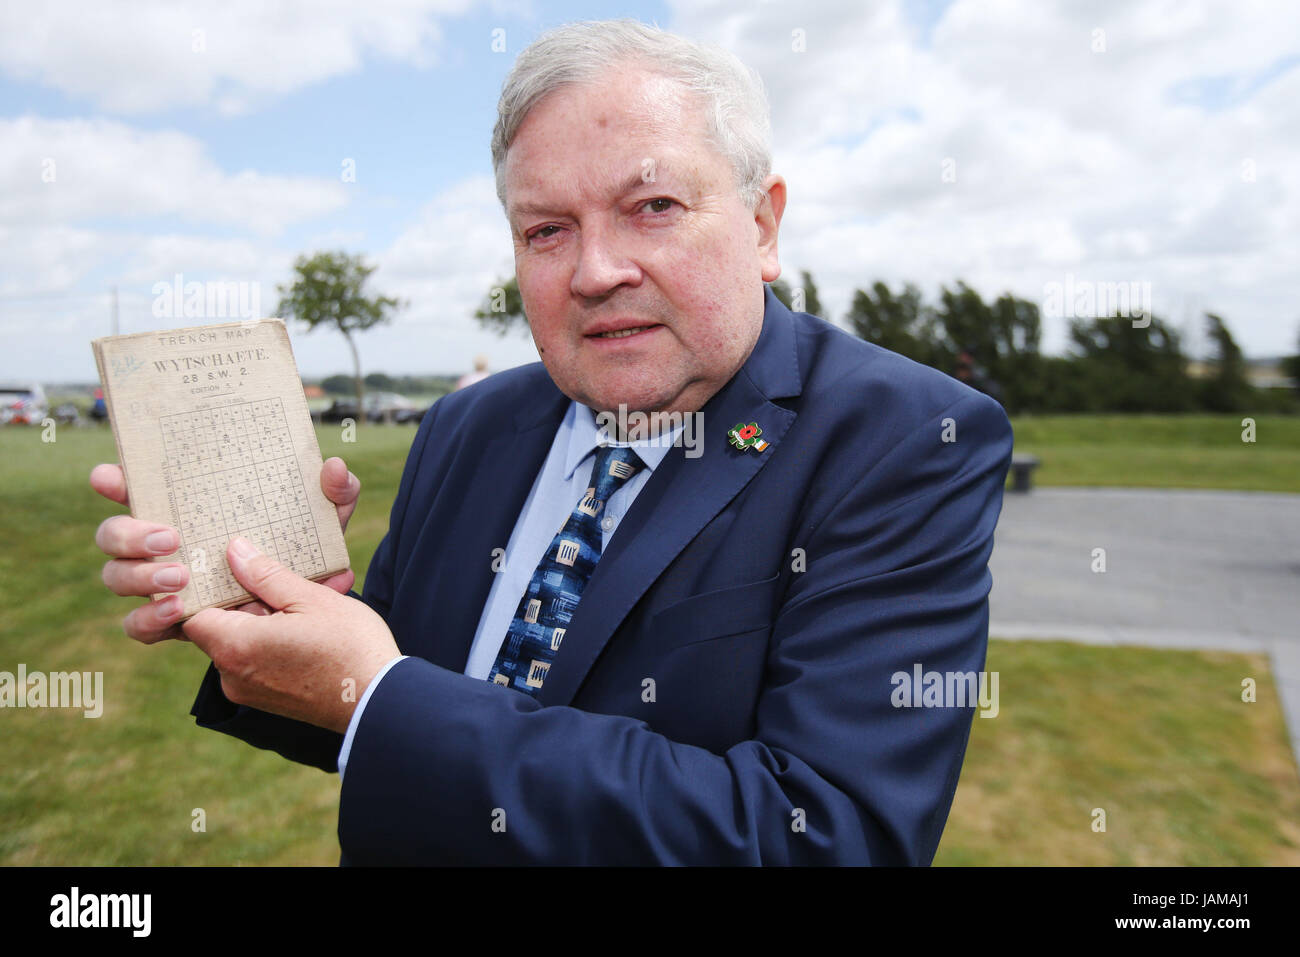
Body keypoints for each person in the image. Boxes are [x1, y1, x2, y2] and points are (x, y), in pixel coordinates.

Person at [90, 19, 1012, 864]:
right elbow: (386, 713)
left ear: (763, 223)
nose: (597, 271)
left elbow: (824, 834)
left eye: (651, 206)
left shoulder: (903, 440)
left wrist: (379, 690)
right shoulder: (468, 425)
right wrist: (267, 625)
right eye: (547, 229)